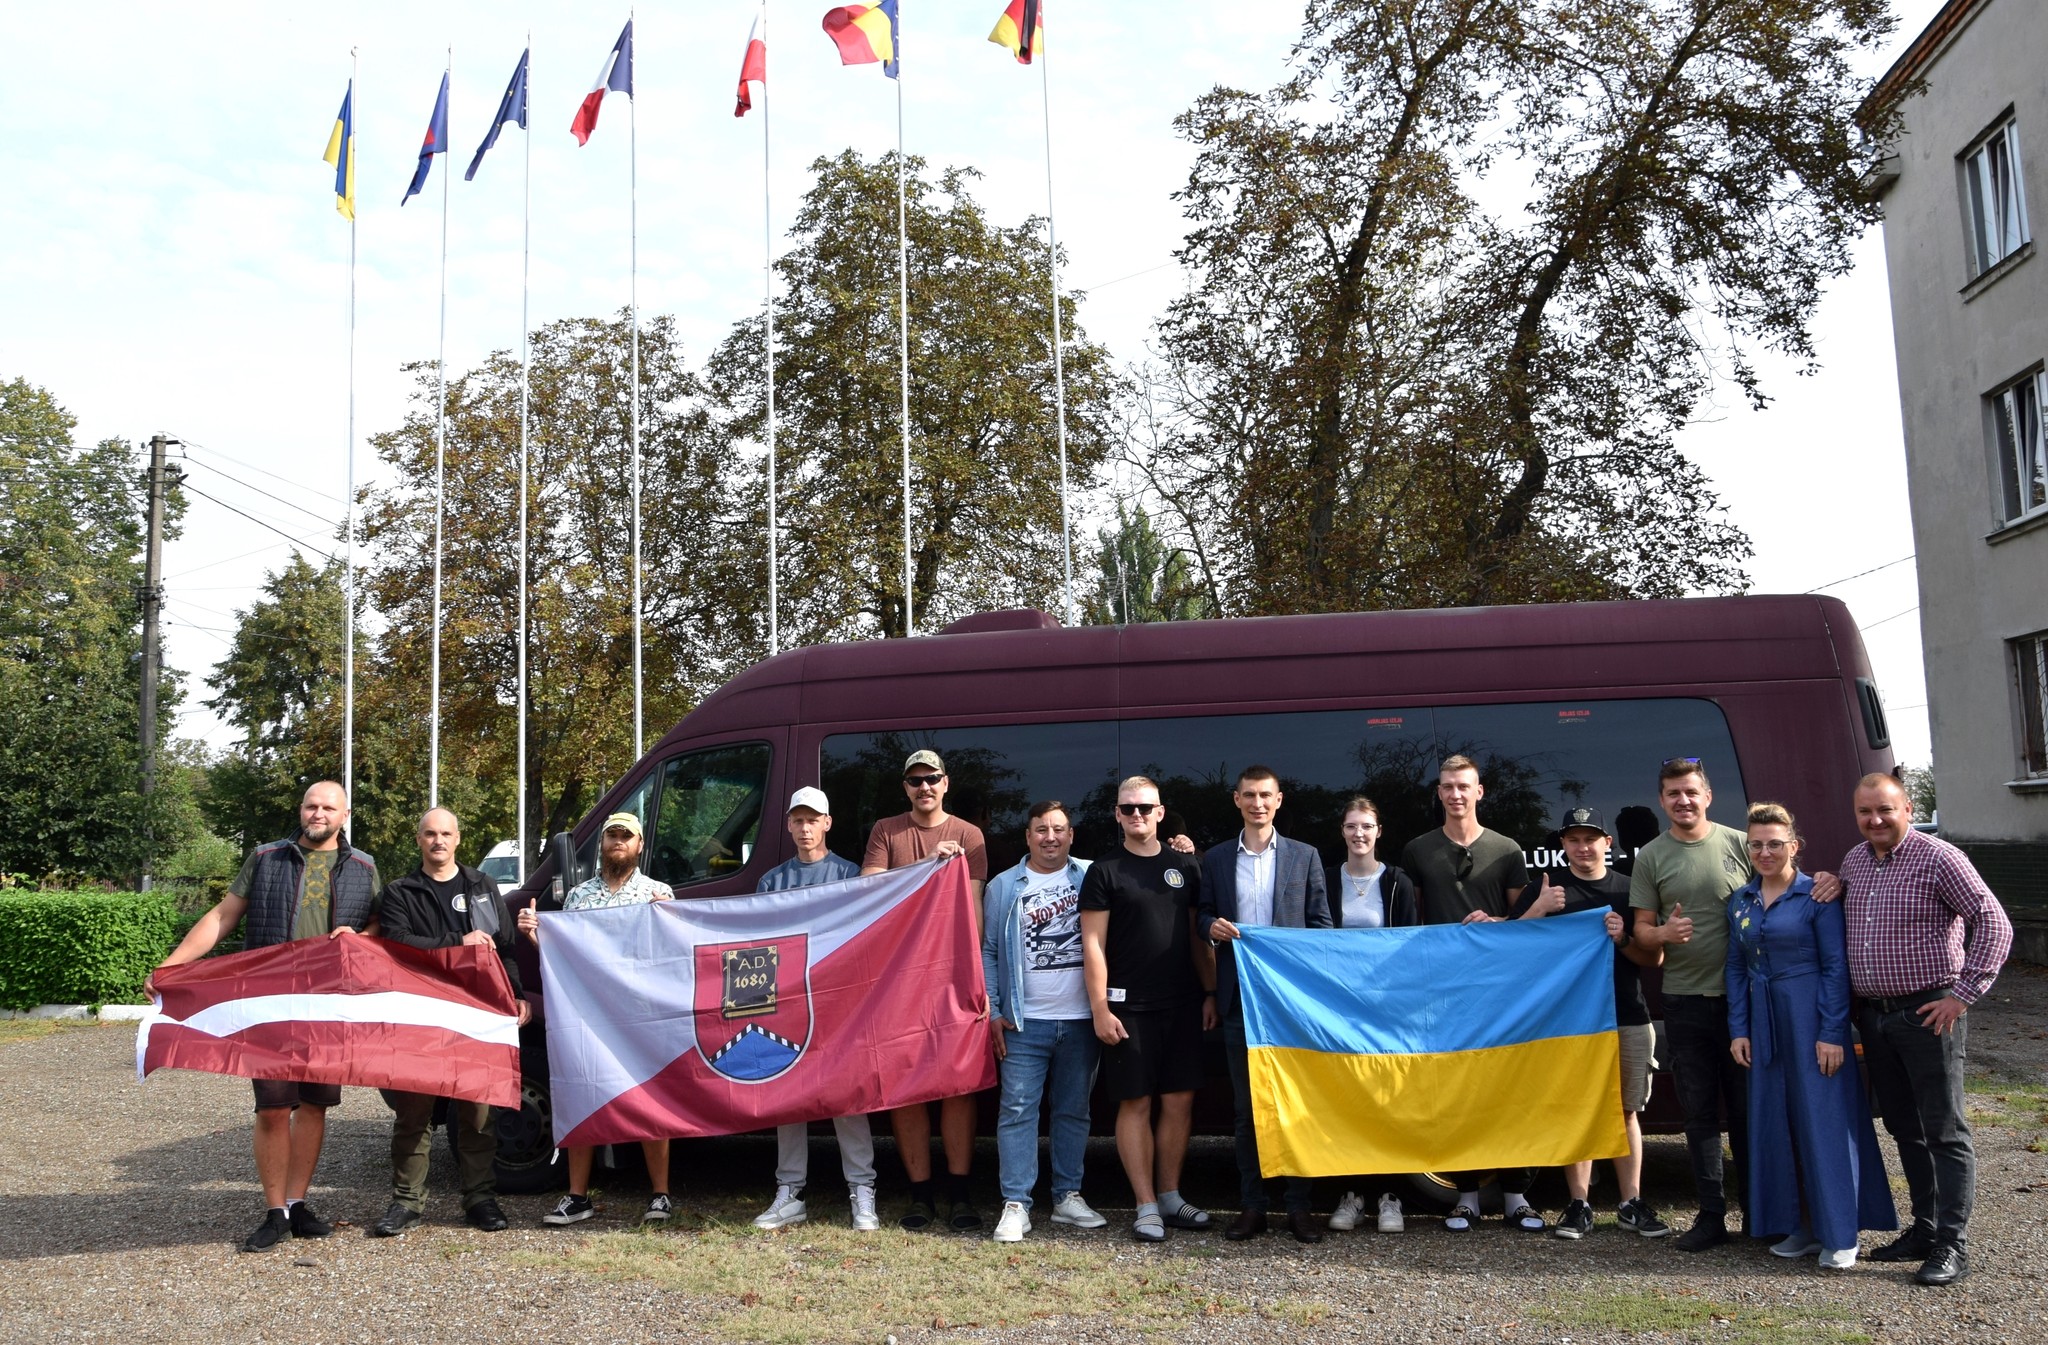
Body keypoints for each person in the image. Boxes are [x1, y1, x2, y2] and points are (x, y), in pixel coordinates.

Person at [145, 780, 381, 1253]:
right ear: (302, 809)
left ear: (345, 814)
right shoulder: (267, 856)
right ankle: (275, 1211)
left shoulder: (364, 867)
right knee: (273, 1108)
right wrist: (172, 965)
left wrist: (361, 936)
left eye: (328, 807)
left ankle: (297, 1204)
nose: (319, 814)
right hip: (271, 1003)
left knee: (315, 1107)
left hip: (328, 1005)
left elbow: (381, 924)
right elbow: (223, 916)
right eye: (312, 805)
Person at [1840, 773, 2013, 1288]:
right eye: (1866, 812)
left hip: (1929, 1011)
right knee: (1902, 1126)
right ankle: (1925, 1228)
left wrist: (1963, 995)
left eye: (1885, 811)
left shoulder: (1940, 858)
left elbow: (1994, 922)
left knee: (1944, 1129)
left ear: (1908, 809)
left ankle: (1953, 1245)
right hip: (1875, 1015)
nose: (1875, 820)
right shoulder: (1855, 861)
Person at [1725, 802, 1895, 1271]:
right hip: (1763, 1023)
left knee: (1824, 1123)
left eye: (1775, 843)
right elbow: (1737, 966)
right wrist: (1739, 1028)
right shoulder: (1740, 901)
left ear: (1794, 846)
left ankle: (1840, 1232)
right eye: (1756, 843)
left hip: (1810, 1018)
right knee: (1778, 1124)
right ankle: (1798, 1225)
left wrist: (1832, 1032)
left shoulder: (1817, 896)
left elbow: (1835, 967)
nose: (1765, 851)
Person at [370, 806, 530, 1237]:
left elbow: (505, 949)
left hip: (477, 1013)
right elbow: (399, 945)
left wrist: (516, 996)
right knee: (413, 1115)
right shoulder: (401, 891)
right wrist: (456, 943)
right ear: (418, 839)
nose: (438, 841)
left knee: (478, 1114)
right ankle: (406, 1202)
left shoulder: (482, 885)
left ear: (458, 839)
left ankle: (479, 1198)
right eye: (429, 834)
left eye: (446, 834)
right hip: (420, 1015)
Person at [1399, 755, 1540, 1233]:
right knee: (1457, 1092)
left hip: (1499, 988)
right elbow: (1410, 923)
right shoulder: (1417, 850)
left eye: (1464, 786)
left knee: (1507, 1088)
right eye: (1447, 787)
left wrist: (1497, 921)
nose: (1456, 794)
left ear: (1480, 792)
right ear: (1438, 794)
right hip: (1442, 991)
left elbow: (1526, 925)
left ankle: (1517, 1195)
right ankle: (1466, 1197)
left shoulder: (1507, 849)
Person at [1515, 807, 1670, 1241]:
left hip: (1627, 1014)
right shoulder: (1546, 887)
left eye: (1591, 838)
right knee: (1577, 1110)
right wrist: (1540, 910)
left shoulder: (1629, 887)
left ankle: (1630, 1203)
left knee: (1625, 1112)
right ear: (1562, 845)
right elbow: (1509, 947)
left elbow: (1653, 958)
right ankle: (1578, 1205)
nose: (1582, 848)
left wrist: (1622, 938)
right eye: (1573, 840)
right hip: (1569, 1022)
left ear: (1607, 843)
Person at [516, 811, 676, 1226]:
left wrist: (669, 919)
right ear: (602, 844)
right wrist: (535, 935)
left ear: (639, 845)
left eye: (627, 835)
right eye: (612, 835)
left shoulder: (660, 894)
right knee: (582, 1094)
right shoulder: (578, 897)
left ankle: (660, 1194)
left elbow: (674, 955)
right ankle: (577, 1196)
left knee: (650, 1098)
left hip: (640, 1014)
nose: (618, 841)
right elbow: (564, 957)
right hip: (588, 1014)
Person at [1080, 775, 1217, 1242]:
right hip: (1127, 1008)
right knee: (1134, 1103)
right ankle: (1144, 1205)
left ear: (1161, 812)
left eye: (1145, 807)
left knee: (1179, 1100)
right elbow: (1093, 945)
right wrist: (1100, 1007)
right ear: (1116, 815)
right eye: (1127, 808)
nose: (1136, 814)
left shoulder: (1187, 867)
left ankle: (1170, 1196)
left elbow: (1199, 939)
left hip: (1182, 1004)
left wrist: (1211, 992)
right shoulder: (1105, 871)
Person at [1199, 766, 1332, 1244]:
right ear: (1236, 800)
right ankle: (1252, 1207)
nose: (1258, 803)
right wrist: (1209, 926)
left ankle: (1299, 1208)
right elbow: (1200, 916)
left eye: (1266, 796)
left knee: (1295, 1105)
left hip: (1289, 1005)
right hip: (1239, 1002)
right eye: (1249, 795)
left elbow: (1321, 927)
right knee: (1245, 1111)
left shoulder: (1305, 856)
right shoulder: (1214, 859)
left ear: (1279, 800)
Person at [860, 749, 990, 1231]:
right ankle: (920, 1195)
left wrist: (980, 979)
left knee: (958, 1086)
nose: (924, 787)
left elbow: (974, 910)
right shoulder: (886, 831)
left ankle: (960, 1194)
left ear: (946, 783)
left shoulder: (969, 834)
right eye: (915, 780)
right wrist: (924, 869)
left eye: (932, 778)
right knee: (906, 1088)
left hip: (954, 977)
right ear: (905, 787)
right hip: (896, 981)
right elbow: (867, 892)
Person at [1627, 757, 1753, 1251]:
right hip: (1684, 1002)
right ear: (1662, 800)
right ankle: (1710, 1217)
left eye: (1691, 792)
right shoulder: (1652, 857)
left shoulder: (1739, 843)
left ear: (1708, 796)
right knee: (1698, 1114)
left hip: (1743, 1003)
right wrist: (1664, 932)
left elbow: (1785, 894)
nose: (1683, 801)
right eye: (1673, 793)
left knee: (1747, 1111)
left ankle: (1759, 1213)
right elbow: (1641, 933)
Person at [752, 787, 881, 1233]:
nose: (805, 828)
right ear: (788, 825)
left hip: (839, 1001)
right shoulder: (771, 881)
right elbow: (759, 944)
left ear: (828, 823)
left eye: (813, 820)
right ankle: (789, 1191)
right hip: (788, 1001)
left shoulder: (850, 874)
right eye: (798, 820)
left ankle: (862, 1191)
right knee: (787, 1095)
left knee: (847, 1094)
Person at [981, 800, 1109, 1243]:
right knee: (1017, 1111)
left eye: (1058, 828)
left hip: (1080, 1020)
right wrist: (995, 1011)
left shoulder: (1093, 874)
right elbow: (990, 951)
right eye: (1040, 829)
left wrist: (1182, 850)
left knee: (1074, 1111)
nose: (1050, 837)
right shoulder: (1002, 886)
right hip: (1024, 1022)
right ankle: (1016, 1204)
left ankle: (1067, 1197)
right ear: (1028, 836)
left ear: (1071, 835)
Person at [1322, 797, 1418, 1237]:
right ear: (1341, 832)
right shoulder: (1323, 880)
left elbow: (1413, 946)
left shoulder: (1399, 882)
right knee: (1349, 1102)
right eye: (1351, 826)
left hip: (1389, 1011)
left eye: (1367, 826)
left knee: (1389, 1103)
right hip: (1341, 1010)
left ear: (1379, 832)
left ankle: (1390, 1198)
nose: (1359, 834)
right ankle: (1352, 1195)